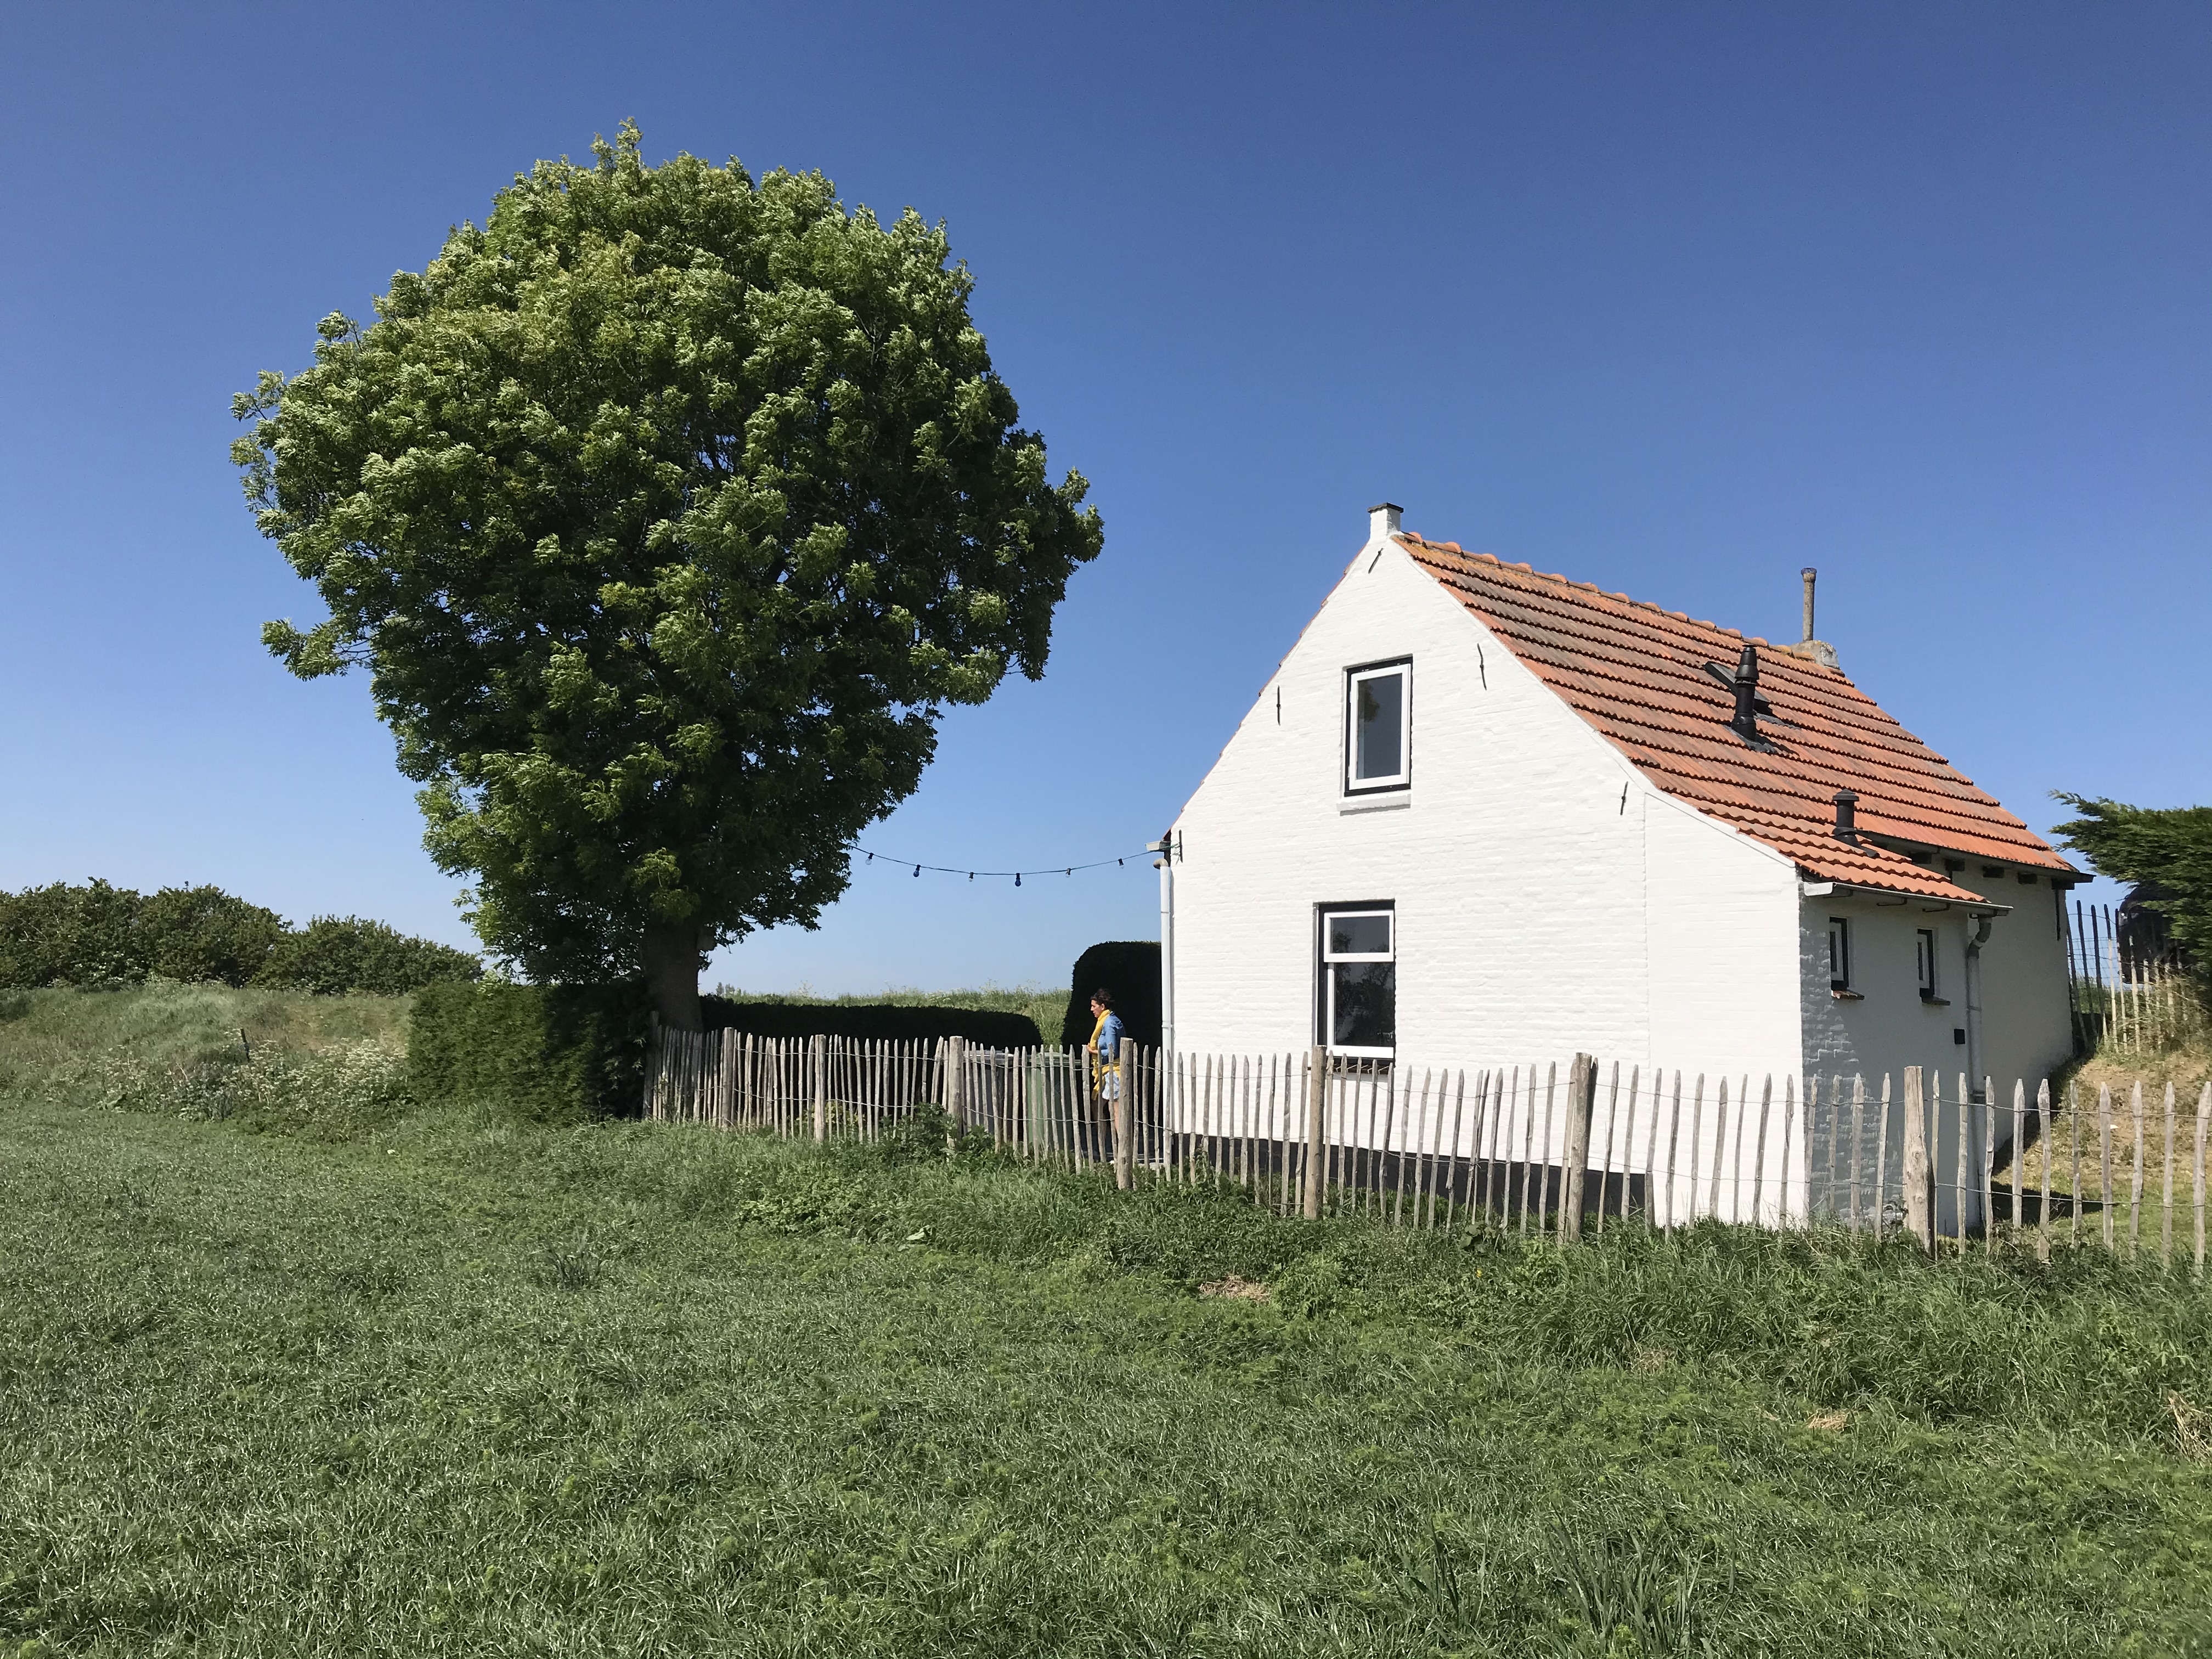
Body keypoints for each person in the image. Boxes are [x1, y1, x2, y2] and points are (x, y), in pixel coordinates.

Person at [1086, 988, 1124, 1156]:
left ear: (1102, 1006)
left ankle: (1123, 1148)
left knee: (1116, 1110)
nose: (1092, 1009)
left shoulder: (1109, 1023)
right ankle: (1101, 1145)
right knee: (1097, 1103)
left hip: (1113, 1071)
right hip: (1105, 1072)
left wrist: (1094, 1052)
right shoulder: (1106, 1021)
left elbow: (1113, 1051)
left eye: (1094, 1006)